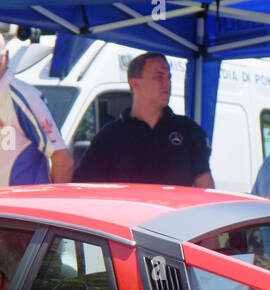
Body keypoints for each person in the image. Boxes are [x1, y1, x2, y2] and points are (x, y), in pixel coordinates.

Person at [73, 52, 212, 188]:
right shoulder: (110, 135)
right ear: (135, 83)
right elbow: (82, 187)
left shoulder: (189, 130)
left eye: (169, 77)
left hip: (177, 211)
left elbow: (205, 186)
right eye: (159, 77)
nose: (167, 83)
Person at [0, 27, 72, 187]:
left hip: (17, 208)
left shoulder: (24, 97)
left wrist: (51, 204)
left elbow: (63, 162)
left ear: (7, 57)